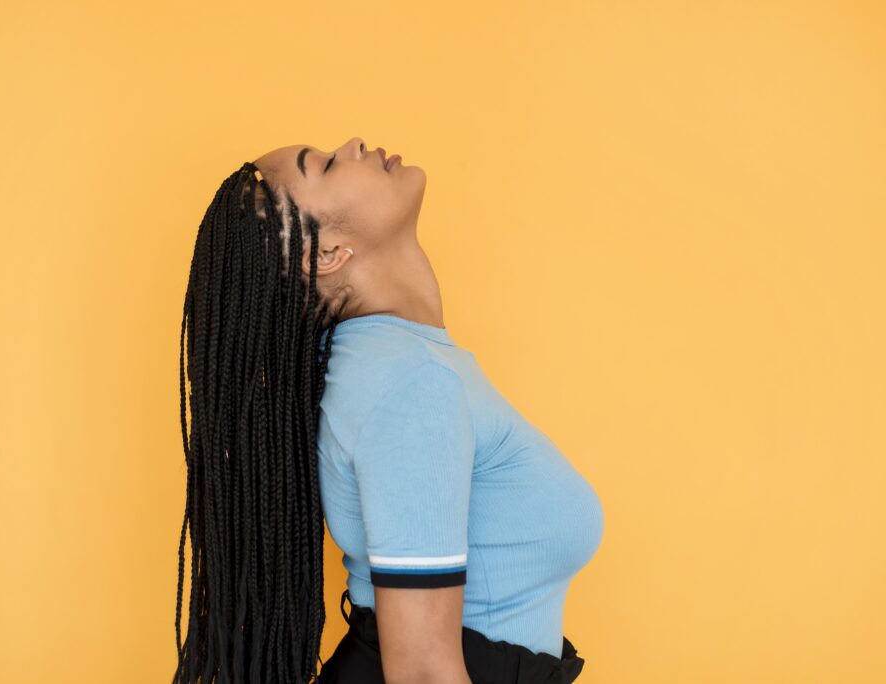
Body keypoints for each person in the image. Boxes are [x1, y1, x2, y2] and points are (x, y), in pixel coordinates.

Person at [172, 137, 603, 684]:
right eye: (327, 165)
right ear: (326, 254)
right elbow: (422, 672)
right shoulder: (408, 381)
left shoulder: (394, 362)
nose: (353, 144)